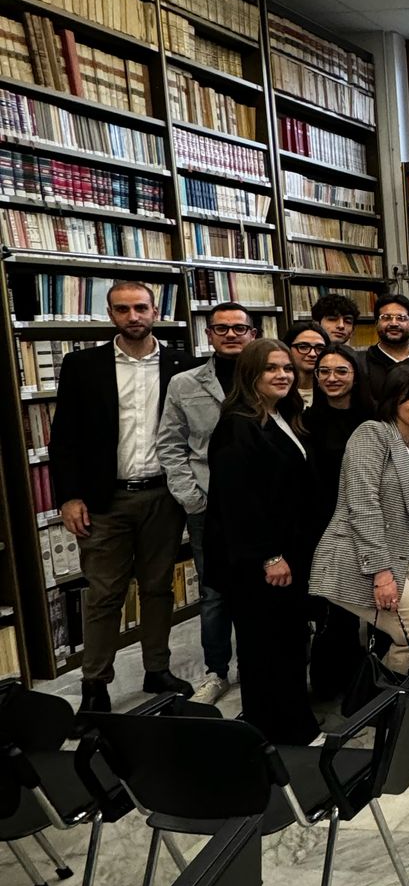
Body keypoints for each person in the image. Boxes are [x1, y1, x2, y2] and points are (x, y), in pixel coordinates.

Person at [52, 278, 192, 716]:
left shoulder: (180, 365)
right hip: (104, 500)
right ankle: (95, 683)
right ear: (110, 314)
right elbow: (64, 437)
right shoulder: (82, 366)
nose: (133, 316)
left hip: (163, 496)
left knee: (158, 588)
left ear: (155, 312)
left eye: (140, 308)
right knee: (104, 593)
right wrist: (69, 497)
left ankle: (157, 669)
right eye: (123, 309)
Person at [205, 339, 321, 745]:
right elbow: (238, 501)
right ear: (250, 374)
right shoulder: (237, 425)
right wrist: (269, 556)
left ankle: (288, 724)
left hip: (289, 550)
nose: (283, 375)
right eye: (272, 368)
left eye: (287, 368)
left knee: (287, 643)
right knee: (266, 648)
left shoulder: (282, 415)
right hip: (260, 562)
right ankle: (281, 732)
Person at [311, 364, 409, 679]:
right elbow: (362, 505)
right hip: (359, 558)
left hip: (396, 554)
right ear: (392, 400)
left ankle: (390, 694)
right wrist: (381, 574)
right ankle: (382, 701)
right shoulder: (372, 433)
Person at [155, 301, 254, 704]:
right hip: (208, 505)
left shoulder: (269, 375)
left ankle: (255, 663)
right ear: (208, 334)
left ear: (253, 334)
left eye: (239, 328)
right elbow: (170, 443)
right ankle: (217, 671)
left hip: (259, 504)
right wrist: (191, 498)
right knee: (214, 593)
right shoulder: (185, 383)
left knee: (260, 588)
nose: (231, 334)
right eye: (221, 328)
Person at [305, 345, 374, 703]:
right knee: (337, 607)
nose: (332, 378)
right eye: (324, 372)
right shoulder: (305, 422)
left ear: (355, 376)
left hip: (371, 521)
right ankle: (337, 680)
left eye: (341, 371)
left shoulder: (373, 417)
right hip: (326, 524)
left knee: (373, 604)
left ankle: (370, 677)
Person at [366, 294, 409, 384]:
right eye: (386, 318)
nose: (394, 324)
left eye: (401, 318)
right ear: (376, 324)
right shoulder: (362, 365)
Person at [283, 320, 327, 412]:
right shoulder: (279, 390)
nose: (312, 354)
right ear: (287, 348)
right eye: (303, 347)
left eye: (320, 348)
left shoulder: (332, 390)